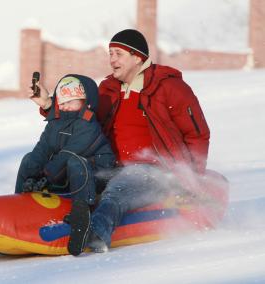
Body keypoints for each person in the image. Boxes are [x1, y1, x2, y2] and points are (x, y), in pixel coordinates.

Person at [29, 29, 210, 255]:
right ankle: (29, 218)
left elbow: (197, 134)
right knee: (69, 175)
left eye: (118, 54)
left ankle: (95, 235)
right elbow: (81, 122)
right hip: (110, 165)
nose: (112, 59)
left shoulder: (170, 88)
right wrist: (48, 105)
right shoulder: (108, 90)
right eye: (110, 53)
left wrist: (191, 179)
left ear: (137, 57)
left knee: (116, 192)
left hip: (154, 171)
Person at [15, 74, 115, 255]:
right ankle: (18, 206)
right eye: (62, 101)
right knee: (29, 158)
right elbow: (42, 150)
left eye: (71, 101)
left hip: (97, 176)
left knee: (75, 162)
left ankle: (81, 219)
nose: (65, 105)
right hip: (66, 174)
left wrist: (45, 176)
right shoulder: (55, 124)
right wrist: (33, 175)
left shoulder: (88, 125)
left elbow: (67, 155)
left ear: (86, 102)